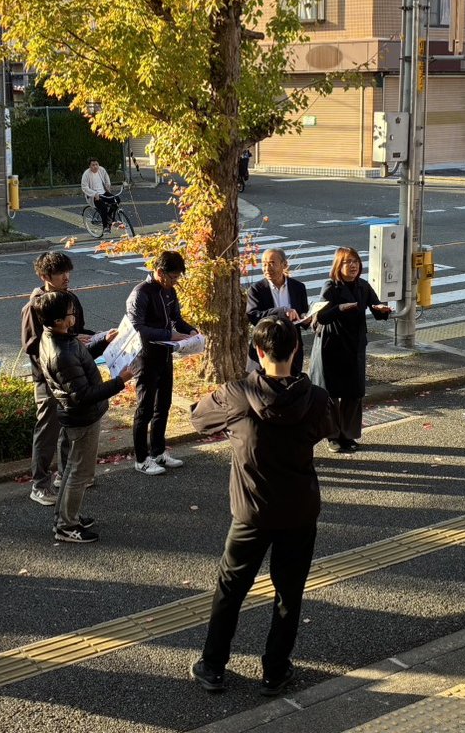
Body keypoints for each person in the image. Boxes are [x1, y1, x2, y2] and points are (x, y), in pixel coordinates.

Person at [189, 317, 335, 695]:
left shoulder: (236, 395)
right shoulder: (316, 398)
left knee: (231, 588)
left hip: (251, 513)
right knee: (289, 592)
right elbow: (329, 428)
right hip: (299, 511)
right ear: (297, 351)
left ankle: (213, 666)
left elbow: (198, 419)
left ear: (257, 353)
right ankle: (275, 670)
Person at [37, 291, 135, 543]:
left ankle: (66, 517)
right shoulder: (61, 353)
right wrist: (119, 382)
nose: (75, 316)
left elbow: (81, 357)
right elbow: (83, 394)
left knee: (72, 469)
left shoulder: (56, 338)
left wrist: (103, 341)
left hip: (77, 416)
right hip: (82, 417)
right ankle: (66, 525)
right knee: (79, 472)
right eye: (71, 313)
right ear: (59, 320)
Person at [21, 251, 109, 506]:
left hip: (73, 373)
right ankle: (40, 484)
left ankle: (65, 475)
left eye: (68, 271)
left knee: (70, 426)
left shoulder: (70, 298)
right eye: (60, 273)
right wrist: (69, 343)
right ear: (44, 276)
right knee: (47, 430)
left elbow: (79, 331)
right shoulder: (35, 305)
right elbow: (31, 345)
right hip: (47, 377)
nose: (66, 277)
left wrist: (100, 337)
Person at [308, 247, 391, 453]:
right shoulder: (331, 287)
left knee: (353, 393)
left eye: (355, 261)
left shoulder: (362, 286)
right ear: (338, 265)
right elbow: (320, 317)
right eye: (347, 262)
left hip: (354, 346)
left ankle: (348, 434)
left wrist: (382, 309)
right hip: (331, 346)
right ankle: (332, 436)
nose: (353, 265)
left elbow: (375, 306)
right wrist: (339, 309)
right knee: (331, 393)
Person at [127, 250, 197, 475]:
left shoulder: (170, 292)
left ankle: (158, 452)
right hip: (145, 357)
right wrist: (170, 334)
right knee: (145, 408)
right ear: (159, 272)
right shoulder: (141, 293)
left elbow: (177, 319)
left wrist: (191, 331)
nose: (175, 281)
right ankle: (141, 458)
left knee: (163, 406)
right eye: (172, 277)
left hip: (166, 355)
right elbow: (138, 328)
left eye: (177, 277)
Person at [246, 248, 310, 377]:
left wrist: (306, 318)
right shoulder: (256, 290)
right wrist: (282, 311)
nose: (267, 268)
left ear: (284, 265)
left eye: (272, 263)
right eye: (264, 264)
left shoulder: (298, 287)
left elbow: (303, 313)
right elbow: (253, 316)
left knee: (292, 386)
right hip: (266, 346)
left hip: (291, 347)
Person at [81, 157, 119, 230]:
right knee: (103, 207)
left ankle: (109, 215)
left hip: (103, 192)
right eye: (93, 165)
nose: (95, 166)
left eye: (96, 164)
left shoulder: (101, 170)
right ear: (89, 166)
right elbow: (84, 187)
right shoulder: (86, 174)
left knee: (117, 200)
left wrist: (108, 187)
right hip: (94, 196)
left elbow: (106, 179)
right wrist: (94, 194)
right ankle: (105, 227)